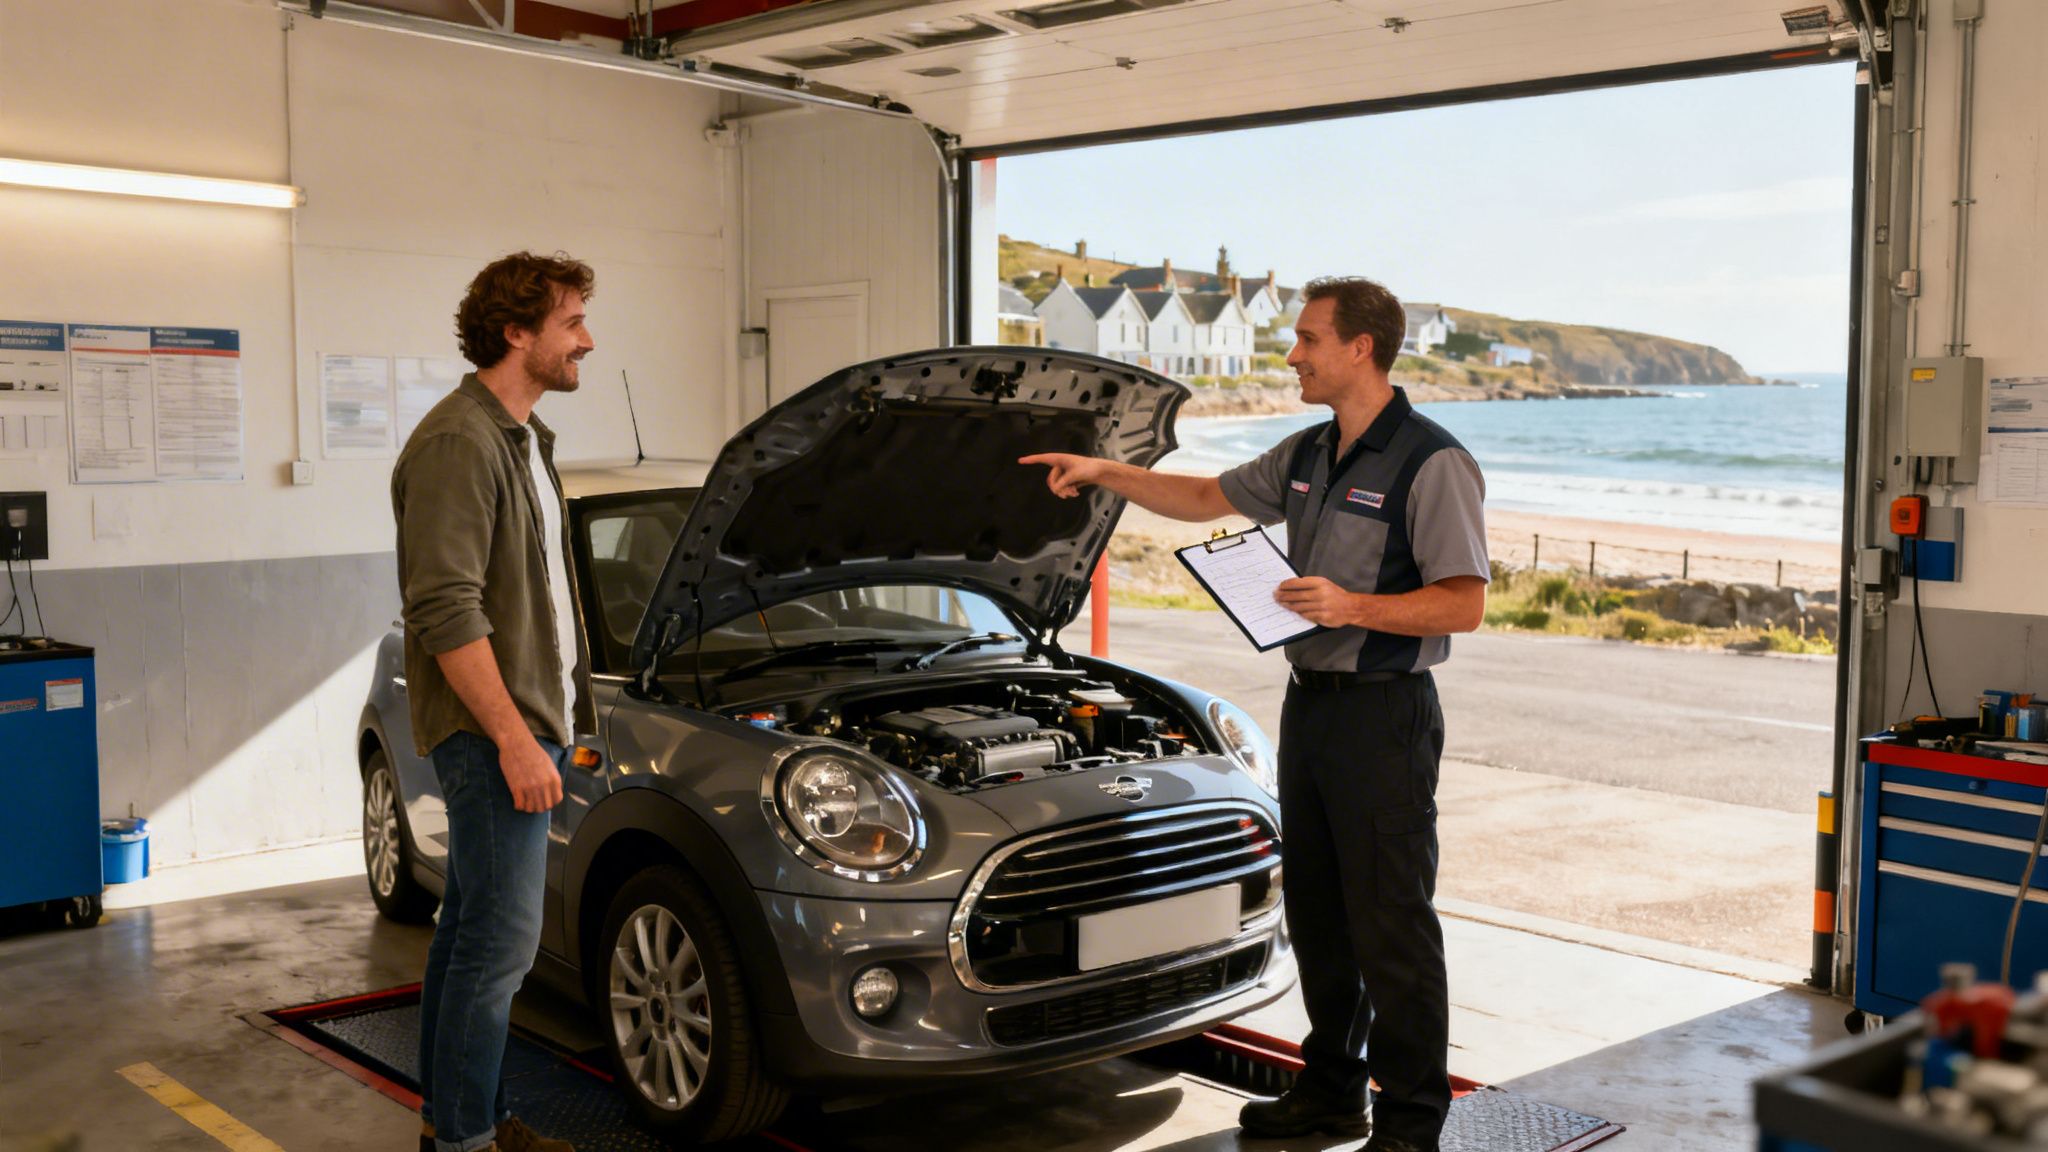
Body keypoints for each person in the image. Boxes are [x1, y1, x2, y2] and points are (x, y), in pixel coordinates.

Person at [1022, 276, 1488, 1152]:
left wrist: (1353, 607)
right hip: (1310, 709)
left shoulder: (1434, 462)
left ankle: (1414, 1124)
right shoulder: (1308, 452)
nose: (1294, 354)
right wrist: (1100, 474)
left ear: (1360, 348)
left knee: (1392, 925)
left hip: (1386, 718)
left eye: (1309, 339)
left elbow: (1463, 604)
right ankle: (1332, 1092)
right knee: (1318, 914)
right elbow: (1204, 498)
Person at [392, 251, 596, 1152]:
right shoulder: (459, 442)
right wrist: (515, 740)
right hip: (489, 737)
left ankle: (453, 1120)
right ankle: (467, 1141)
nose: (586, 338)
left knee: (470, 932)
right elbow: (443, 608)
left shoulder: (521, 439)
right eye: (570, 322)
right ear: (517, 333)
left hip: (523, 729)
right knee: (501, 949)